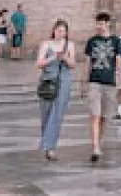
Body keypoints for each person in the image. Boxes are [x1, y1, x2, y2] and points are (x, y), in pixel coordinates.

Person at [84, 12, 121, 163]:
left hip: (109, 82)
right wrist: (84, 81)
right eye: (97, 23)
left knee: (104, 117)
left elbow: (118, 61)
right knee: (95, 115)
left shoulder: (116, 41)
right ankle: (95, 147)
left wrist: (120, 79)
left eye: (101, 23)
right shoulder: (91, 41)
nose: (98, 26)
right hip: (94, 81)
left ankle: (99, 141)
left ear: (107, 24)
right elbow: (88, 62)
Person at [35, 19, 75, 162]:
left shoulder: (70, 45)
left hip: (63, 81)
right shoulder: (46, 44)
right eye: (59, 30)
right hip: (48, 81)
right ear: (54, 30)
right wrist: (52, 57)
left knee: (57, 114)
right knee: (46, 114)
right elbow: (39, 63)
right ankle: (47, 144)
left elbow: (73, 65)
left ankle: (50, 147)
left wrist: (65, 58)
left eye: (64, 31)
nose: (61, 33)